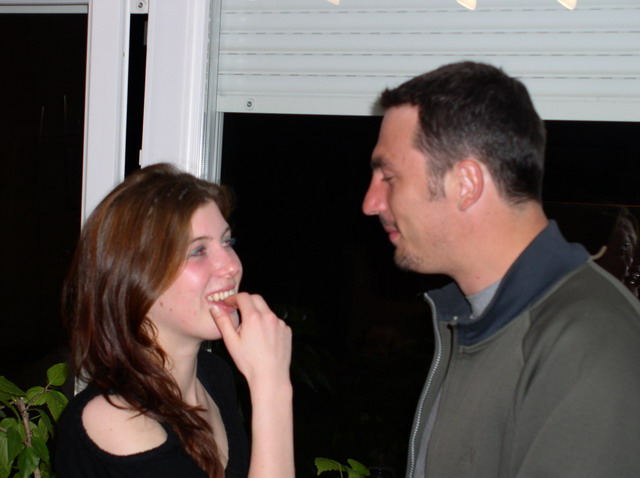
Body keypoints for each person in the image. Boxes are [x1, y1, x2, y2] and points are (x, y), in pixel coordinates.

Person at [362, 61, 640, 478]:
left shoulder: (590, 341)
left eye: (388, 176)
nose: (371, 203)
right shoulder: (473, 321)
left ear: (466, 184)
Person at [55, 163, 294, 478]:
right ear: (136, 278)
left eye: (227, 242)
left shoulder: (214, 375)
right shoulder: (114, 418)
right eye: (198, 251)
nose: (231, 266)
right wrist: (271, 384)